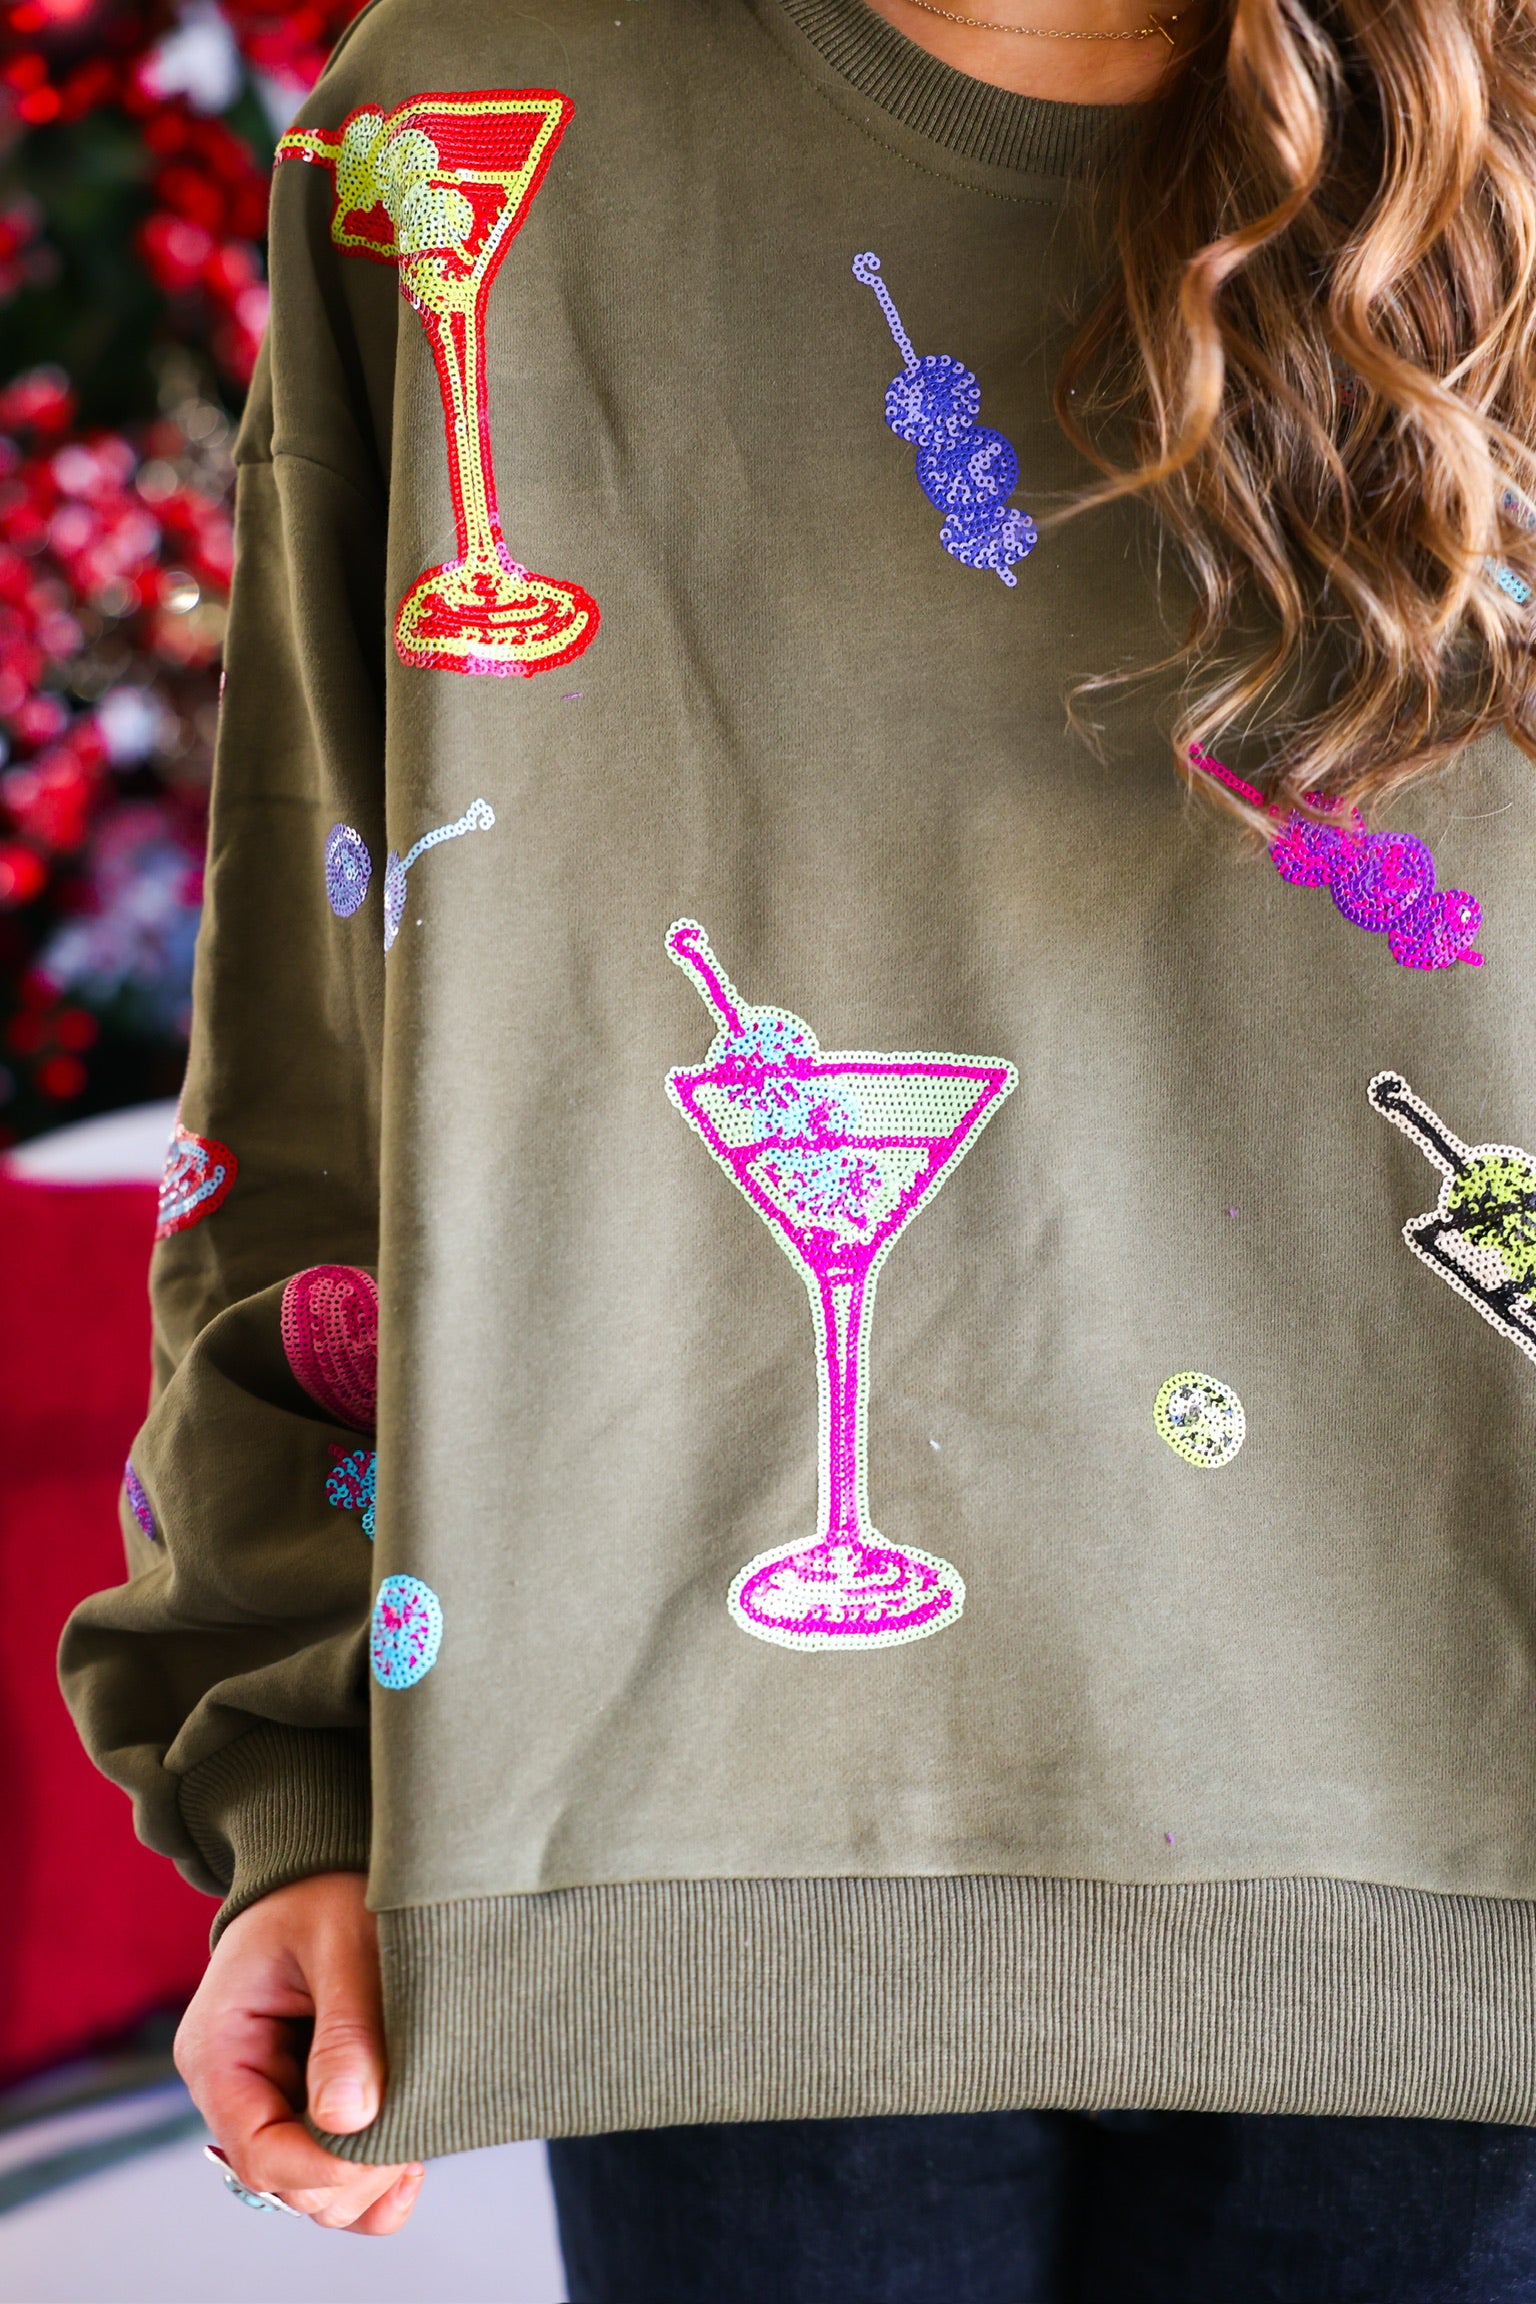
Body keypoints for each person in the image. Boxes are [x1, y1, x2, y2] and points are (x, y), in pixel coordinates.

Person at [58, 0, 1536, 2291]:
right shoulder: (464, 121)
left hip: (1474, 1836)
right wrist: (301, 1769)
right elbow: (324, 1030)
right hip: (713, 1849)